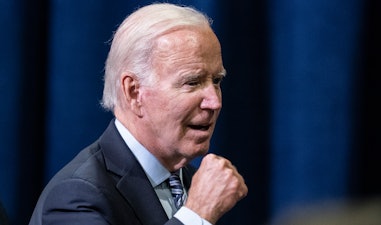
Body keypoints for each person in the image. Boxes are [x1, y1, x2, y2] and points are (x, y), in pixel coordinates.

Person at [29, 3, 248, 225]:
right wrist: (197, 215)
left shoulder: (193, 183)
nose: (214, 102)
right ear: (133, 92)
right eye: (192, 82)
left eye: (217, 81)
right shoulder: (76, 197)